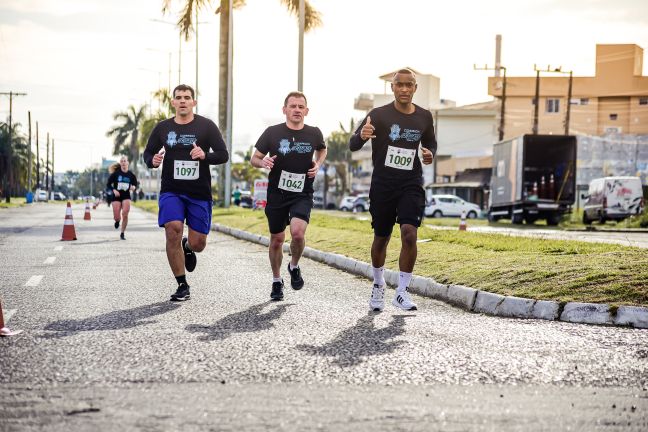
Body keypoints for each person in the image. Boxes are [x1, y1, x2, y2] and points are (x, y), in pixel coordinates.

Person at [349, 69, 436, 312]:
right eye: (400, 85)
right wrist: (362, 136)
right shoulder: (378, 114)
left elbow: (430, 144)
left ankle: (402, 292)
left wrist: (429, 154)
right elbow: (353, 144)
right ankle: (378, 284)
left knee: (409, 234)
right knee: (382, 237)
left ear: (415, 88)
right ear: (393, 87)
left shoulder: (424, 117)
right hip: (383, 184)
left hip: (411, 182)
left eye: (409, 85)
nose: (405, 89)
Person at [143, 84, 229, 302]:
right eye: (179, 97)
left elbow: (223, 155)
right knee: (173, 228)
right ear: (172, 102)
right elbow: (148, 152)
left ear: (193, 102)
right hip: (172, 190)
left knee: (199, 243)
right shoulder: (163, 128)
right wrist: (151, 161)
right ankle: (182, 284)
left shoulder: (206, 127)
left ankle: (187, 246)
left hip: (199, 192)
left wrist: (205, 156)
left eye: (187, 97)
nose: (183, 101)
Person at [250, 91, 327, 301]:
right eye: (292, 106)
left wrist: (317, 165)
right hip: (277, 193)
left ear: (306, 111)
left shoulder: (314, 133)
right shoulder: (272, 133)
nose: (297, 110)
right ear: (284, 110)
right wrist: (263, 162)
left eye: (301, 107)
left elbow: (322, 150)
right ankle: (276, 281)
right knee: (276, 239)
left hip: (302, 192)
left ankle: (293, 266)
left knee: (298, 233)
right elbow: (254, 158)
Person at [106, 155, 138, 240]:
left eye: (125, 161)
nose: (123, 162)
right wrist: (114, 190)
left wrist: (133, 187)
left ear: (127, 163)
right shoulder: (116, 174)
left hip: (126, 196)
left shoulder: (131, 175)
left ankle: (122, 233)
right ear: (120, 163)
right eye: (122, 161)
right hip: (117, 196)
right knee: (117, 216)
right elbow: (108, 184)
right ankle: (117, 220)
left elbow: (135, 185)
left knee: (125, 213)